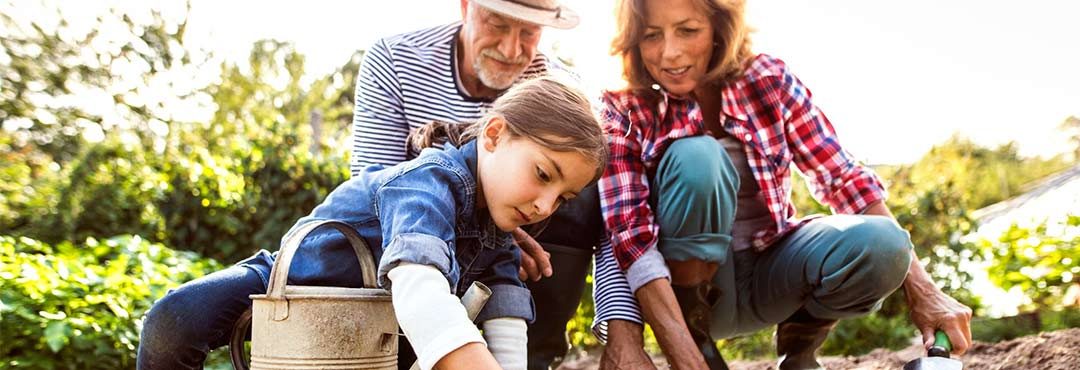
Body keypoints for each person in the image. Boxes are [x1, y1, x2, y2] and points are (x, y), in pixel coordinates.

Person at [590, 0, 975, 369]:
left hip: (773, 272)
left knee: (886, 243)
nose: (669, 53)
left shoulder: (768, 79)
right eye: (652, 35)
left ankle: (799, 351)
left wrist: (925, 291)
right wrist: (687, 361)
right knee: (697, 158)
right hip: (688, 296)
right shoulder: (624, 107)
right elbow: (630, 239)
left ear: (720, 30)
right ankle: (702, 347)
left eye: (688, 30)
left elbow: (844, 180)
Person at [137, 77, 609, 370]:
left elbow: (505, 319)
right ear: (494, 134)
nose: (546, 205)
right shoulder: (428, 183)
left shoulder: (499, 233)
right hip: (292, 284)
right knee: (175, 319)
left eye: (563, 197)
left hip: (370, 329)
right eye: (543, 174)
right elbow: (418, 285)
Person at [351, 0, 604, 368]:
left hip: (499, 233)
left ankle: (536, 353)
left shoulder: (558, 85)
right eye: (498, 24)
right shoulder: (395, 60)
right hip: (413, 233)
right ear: (466, 6)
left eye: (529, 32)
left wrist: (502, 228)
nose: (511, 49)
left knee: (577, 170)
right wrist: (478, 226)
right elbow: (382, 185)